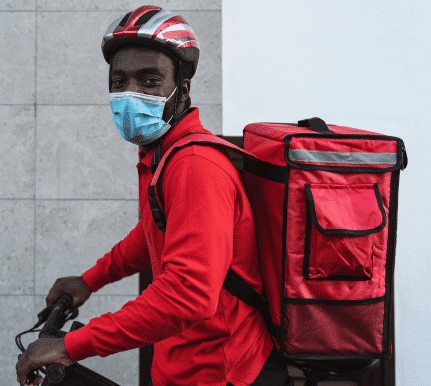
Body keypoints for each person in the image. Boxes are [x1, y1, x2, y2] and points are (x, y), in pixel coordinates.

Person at [16, 6, 292, 386]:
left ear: (183, 90)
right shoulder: (164, 155)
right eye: (119, 81)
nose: (130, 94)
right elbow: (153, 231)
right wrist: (91, 279)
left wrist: (73, 345)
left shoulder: (195, 165)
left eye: (149, 81)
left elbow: (188, 295)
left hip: (220, 373)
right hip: (182, 366)